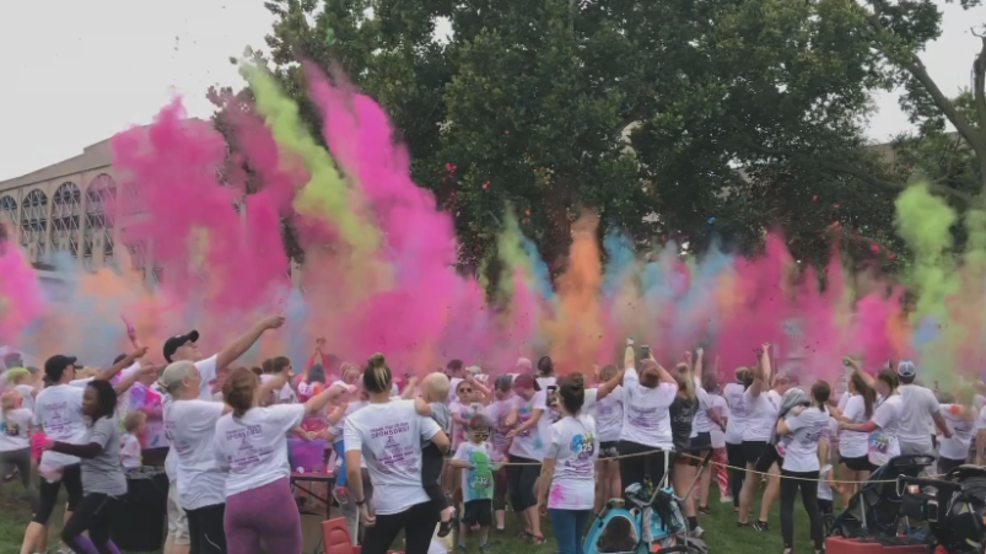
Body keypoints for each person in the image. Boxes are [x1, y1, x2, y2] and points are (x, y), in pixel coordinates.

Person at [161, 314, 285, 554]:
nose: (194, 345)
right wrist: (261, 326)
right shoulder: (191, 379)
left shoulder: (172, 394)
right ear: (174, 359)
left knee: (181, 531)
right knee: (202, 538)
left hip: (184, 472)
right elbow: (233, 354)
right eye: (187, 344)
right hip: (202, 480)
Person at [20, 349, 146, 554]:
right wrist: (133, 367)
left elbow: (37, 425)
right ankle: (66, 549)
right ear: (65, 371)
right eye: (71, 367)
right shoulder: (78, 394)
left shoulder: (42, 396)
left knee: (43, 511)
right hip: (75, 456)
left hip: (51, 460)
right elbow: (105, 382)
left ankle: (28, 552)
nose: (73, 370)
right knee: (76, 504)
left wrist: (37, 453)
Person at [214, 367, 349, 554]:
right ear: (255, 391)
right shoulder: (272, 415)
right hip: (273, 497)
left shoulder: (221, 424)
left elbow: (221, 464)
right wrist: (333, 390)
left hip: (236, 501)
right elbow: (311, 407)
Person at [344, 354, 451, 554]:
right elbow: (443, 442)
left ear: (365, 387)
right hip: (424, 501)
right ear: (391, 384)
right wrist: (441, 454)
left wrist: (361, 503)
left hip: (389, 503)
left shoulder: (355, 420)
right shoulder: (412, 407)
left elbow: (352, 471)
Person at [45, 379, 133, 554]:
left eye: (89, 398)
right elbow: (92, 457)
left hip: (105, 490)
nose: (84, 401)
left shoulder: (104, 423)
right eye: (84, 397)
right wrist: (63, 468)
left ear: (102, 402)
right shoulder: (95, 422)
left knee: (70, 534)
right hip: (101, 489)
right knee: (98, 535)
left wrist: (54, 445)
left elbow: (92, 450)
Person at [537, 374, 599, 554]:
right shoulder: (590, 423)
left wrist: (541, 498)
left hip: (563, 496)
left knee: (566, 548)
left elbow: (547, 469)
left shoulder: (555, 430)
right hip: (586, 494)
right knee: (577, 545)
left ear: (561, 399)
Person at [611, 339, 677, 495]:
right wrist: (653, 361)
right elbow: (672, 381)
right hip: (658, 446)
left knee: (630, 492)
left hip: (630, 444)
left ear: (639, 375)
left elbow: (628, 363)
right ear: (657, 376)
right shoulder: (665, 391)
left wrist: (629, 345)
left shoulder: (631, 387)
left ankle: (632, 517)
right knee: (657, 494)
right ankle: (653, 519)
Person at [775, 380, 832, 554]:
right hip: (811, 465)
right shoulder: (825, 412)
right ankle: (818, 545)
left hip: (793, 464)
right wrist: (798, 413)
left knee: (786, 505)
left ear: (812, 393)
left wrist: (783, 414)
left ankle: (788, 547)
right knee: (812, 505)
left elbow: (781, 430)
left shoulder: (805, 415)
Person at [737, 343, 778, 530]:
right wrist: (759, 359)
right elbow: (762, 376)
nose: (765, 380)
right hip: (756, 443)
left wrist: (766, 352)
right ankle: (762, 521)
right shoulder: (751, 394)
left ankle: (743, 520)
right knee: (775, 478)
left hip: (756, 442)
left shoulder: (763, 394)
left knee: (750, 482)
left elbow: (765, 374)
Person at [504, 373, 547, 544]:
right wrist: (509, 421)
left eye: (517, 387)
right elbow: (513, 414)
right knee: (514, 492)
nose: (515, 391)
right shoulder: (517, 398)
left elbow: (535, 419)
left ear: (526, 386)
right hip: (517, 451)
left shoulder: (540, 396)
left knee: (526, 489)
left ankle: (537, 533)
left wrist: (517, 430)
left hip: (534, 453)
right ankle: (526, 528)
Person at [412, 372, 456, 537]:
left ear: (428, 393)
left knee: (429, 482)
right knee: (426, 482)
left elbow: (421, 408)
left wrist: (417, 398)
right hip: (432, 450)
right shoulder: (443, 408)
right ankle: (436, 511)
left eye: (423, 392)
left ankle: (446, 512)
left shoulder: (436, 406)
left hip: (432, 449)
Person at [840, 370, 904, 469]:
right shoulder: (893, 397)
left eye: (877, 382)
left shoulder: (889, 404)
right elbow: (869, 382)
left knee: (879, 481)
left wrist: (846, 425)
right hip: (885, 446)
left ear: (883, 383)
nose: (874, 385)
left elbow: (869, 426)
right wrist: (856, 367)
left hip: (884, 455)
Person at [450, 415, 496, 553]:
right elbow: (453, 462)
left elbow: (494, 462)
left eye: (484, 432)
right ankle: (461, 545)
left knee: (485, 519)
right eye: (478, 432)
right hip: (471, 492)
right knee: (467, 519)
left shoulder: (488, 446)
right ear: (470, 430)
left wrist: (496, 465)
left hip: (486, 491)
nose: (481, 435)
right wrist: (467, 464)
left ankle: (483, 544)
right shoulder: (465, 446)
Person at [833, 362, 877, 504]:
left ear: (854, 384)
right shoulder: (872, 399)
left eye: (850, 380)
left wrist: (831, 411)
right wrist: (856, 365)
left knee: (845, 488)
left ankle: (849, 517)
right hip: (866, 449)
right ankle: (863, 515)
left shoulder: (855, 400)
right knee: (862, 487)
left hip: (850, 450)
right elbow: (871, 383)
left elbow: (844, 422)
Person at [584, 364, 623, 517]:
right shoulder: (619, 390)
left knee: (602, 477)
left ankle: (597, 511)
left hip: (601, 439)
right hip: (615, 438)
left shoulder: (596, 390)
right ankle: (616, 511)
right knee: (616, 478)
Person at [895, 361, 951, 459]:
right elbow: (938, 419)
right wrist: (946, 432)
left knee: (899, 472)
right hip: (922, 444)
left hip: (900, 443)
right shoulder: (927, 393)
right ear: (914, 375)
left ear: (898, 376)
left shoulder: (893, 393)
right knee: (925, 473)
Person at [486, 374, 514, 532]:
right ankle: (502, 524)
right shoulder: (515, 405)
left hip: (500, 453)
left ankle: (501, 524)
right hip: (509, 452)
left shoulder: (489, 409)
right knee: (506, 488)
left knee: (500, 489)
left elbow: (487, 435)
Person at [1, 389, 35, 508]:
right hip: (23, 449)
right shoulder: (25, 412)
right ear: (18, 401)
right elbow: (34, 426)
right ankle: (37, 510)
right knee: (28, 483)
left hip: (4, 451)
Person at [723, 367, 749, 514]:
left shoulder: (729, 388)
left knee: (735, 471)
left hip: (732, 435)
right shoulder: (750, 389)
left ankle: (737, 505)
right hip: (746, 435)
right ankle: (746, 504)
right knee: (746, 472)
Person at [936, 389, 976, 475]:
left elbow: (933, 407)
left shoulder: (951, 409)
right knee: (959, 475)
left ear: (959, 397)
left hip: (948, 451)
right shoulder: (974, 410)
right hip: (963, 451)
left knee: (944, 477)